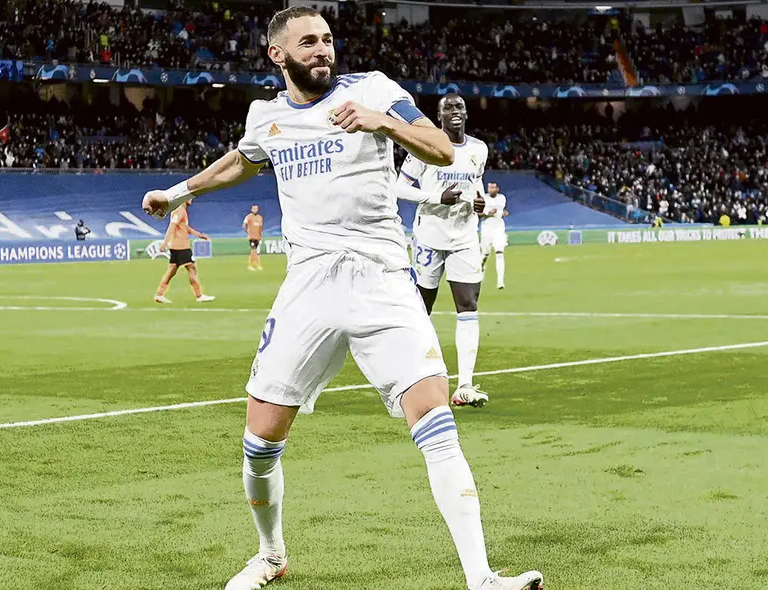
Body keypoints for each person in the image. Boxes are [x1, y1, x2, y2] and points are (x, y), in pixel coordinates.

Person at [140, 7, 543, 590]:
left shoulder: (374, 90)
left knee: (436, 422)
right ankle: (271, 554)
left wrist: (384, 122)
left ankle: (482, 578)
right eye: (308, 43)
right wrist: (177, 192)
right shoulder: (268, 115)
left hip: (383, 279)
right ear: (278, 55)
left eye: (328, 40)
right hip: (308, 287)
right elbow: (242, 160)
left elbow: (440, 148)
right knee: (259, 442)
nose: (322, 50)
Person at [396, 94, 491, 409]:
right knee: (422, 307)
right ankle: (413, 380)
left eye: (460, 106)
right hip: (429, 237)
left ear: (466, 113)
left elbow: (476, 185)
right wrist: (437, 196)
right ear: (438, 116)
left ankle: (464, 385)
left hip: (465, 237)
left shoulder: (479, 149)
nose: (455, 111)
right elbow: (399, 187)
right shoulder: (425, 148)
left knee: (469, 305)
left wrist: (482, 202)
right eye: (448, 107)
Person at [154, 200, 216, 303]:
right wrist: (164, 243)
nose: (191, 199)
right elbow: (172, 226)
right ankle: (199, 295)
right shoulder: (179, 210)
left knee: (171, 271)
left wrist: (200, 235)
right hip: (181, 246)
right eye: (189, 197)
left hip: (176, 246)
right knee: (192, 268)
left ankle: (159, 294)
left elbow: (185, 228)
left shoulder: (181, 211)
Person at [479, 182, 508, 289]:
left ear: (497, 188)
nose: (491, 189)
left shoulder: (502, 198)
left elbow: (501, 211)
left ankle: (500, 281)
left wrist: (503, 213)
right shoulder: (483, 198)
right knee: (485, 254)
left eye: (493, 187)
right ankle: (481, 267)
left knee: (499, 252)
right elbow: (478, 213)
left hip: (499, 228)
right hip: (487, 227)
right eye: (489, 187)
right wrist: (487, 213)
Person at [243, 204, 264, 271]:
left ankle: (251, 265)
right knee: (254, 250)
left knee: (254, 251)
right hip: (251, 237)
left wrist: (260, 236)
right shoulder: (248, 217)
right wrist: (248, 232)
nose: (255, 210)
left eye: (256, 209)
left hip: (258, 237)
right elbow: (244, 226)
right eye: (254, 209)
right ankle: (257, 265)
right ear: (251, 209)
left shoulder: (260, 217)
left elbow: (260, 228)